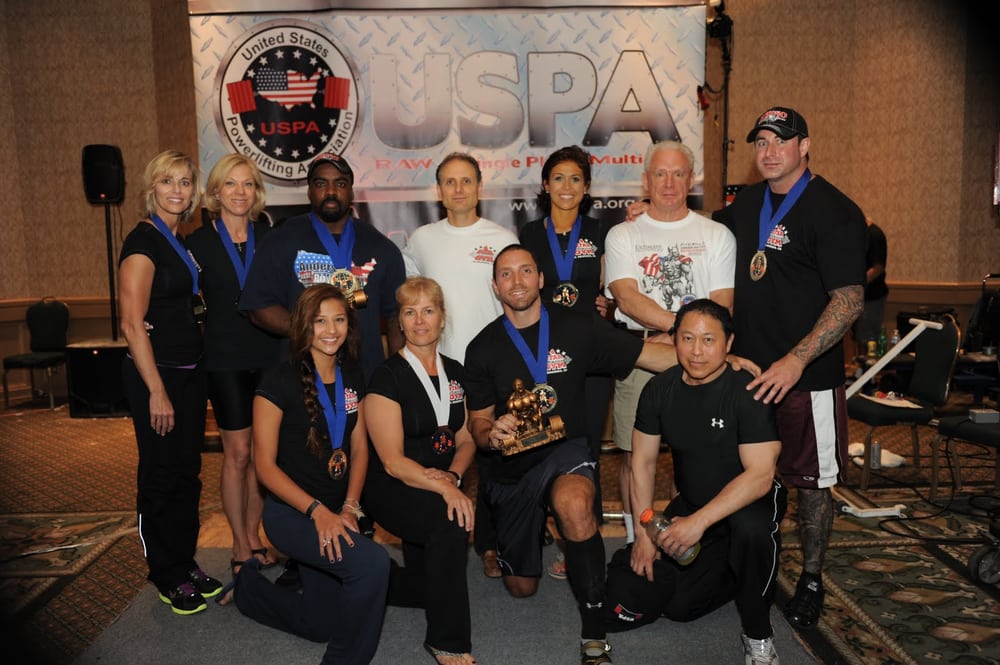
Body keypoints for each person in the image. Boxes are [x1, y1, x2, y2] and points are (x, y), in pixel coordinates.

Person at [464, 244, 678, 665]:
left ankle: (594, 631)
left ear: (541, 279)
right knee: (521, 588)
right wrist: (493, 433)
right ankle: (526, 536)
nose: (517, 281)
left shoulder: (579, 326)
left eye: (526, 271)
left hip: (567, 448)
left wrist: (718, 358)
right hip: (512, 467)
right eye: (506, 274)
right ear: (495, 286)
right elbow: (478, 424)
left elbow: (649, 356)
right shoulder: (482, 347)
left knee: (575, 505)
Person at [714, 106, 866, 630]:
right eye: (761, 142)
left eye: (782, 140)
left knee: (812, 484)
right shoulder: (746, 204)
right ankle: (747, 564)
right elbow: (702, 241)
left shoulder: (835, 211)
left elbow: (849, 301)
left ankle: (812, 579)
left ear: (805, 146)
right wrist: (651, 214)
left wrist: (797, 359)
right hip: (747, 375)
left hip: (808, 379)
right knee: (746, 474)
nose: (770, 150)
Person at [604, 299, 786, 665]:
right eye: (687, 338)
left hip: (748, 503)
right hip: (691, 503)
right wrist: (645, 531)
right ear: (674, 340)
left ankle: (758, 632)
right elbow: (642, 462)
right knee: (678, 606)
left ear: (728, 343)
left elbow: (760, 476)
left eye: (708, 340)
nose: (697, 351)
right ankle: (738, 574)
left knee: (751, 532)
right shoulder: (660, 389)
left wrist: (697, 523)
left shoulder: (748, 390)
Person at [225, 284, 390, 665]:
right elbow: (264, 467)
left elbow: (359, 449)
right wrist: (318, 513)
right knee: (373, 565)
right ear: (302, 326)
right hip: (292, 516)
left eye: (339, 319)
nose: (331, 330)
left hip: (337, 510)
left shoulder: (352, 376)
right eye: (319, 321)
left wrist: (350, 506)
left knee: (319, 624)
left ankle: (248, 587)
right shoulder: (277, 382)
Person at [604, 140, 735, 548]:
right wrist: (685, 330)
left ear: (691, 180)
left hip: (701, 360)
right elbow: (627, 298)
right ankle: (636, 542)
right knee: (634, 456)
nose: (668, 183)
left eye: (678, 174)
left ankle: (690, 539)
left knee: (695, 455)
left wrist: (681, 338)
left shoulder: (716, 234)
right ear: (646, 180)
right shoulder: (623, 233)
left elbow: (723, 304)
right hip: (640, 356)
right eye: (660, 174)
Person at [402, 152, 517, 579]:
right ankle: (439, 537)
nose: (458, 189)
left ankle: (489, 543)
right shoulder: (422, 240)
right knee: (444, 451)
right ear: (439, 191)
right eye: (449, 182)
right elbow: (411, 302)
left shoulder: (502, 237)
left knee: (493, 456)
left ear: (480, 187)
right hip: (439, 367)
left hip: (492, 366)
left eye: (466, 180)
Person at [118, 150, 223, 615]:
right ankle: (165, 573)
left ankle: (184, 561)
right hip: (155, 379)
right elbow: (131, 323)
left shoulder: (178, 239)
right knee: (160, 475)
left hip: (189, 374)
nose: (176, 190)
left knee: (187, 473)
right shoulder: (143, 242)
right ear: (152, 188)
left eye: (184, 182)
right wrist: (157, 391)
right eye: (167, 181)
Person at [364, 276, 478, 665]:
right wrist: (447, 490)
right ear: (399, 321)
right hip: (394, 485)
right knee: (451, 522)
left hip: (441, 481)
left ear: (442, 318)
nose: (419, 321)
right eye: (409, 312)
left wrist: (454, 477)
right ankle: (447, 641)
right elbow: (392, 461)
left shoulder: (456, 373)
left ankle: (375, 579)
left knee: (428, 585)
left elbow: (465, 438)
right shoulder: (387, 376)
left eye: (428, 310)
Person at [519, 145, 614, 578]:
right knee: (542, 440)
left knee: (587, 442)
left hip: (591, 351)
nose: (567, 186)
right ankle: (545, 526)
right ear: (545, 184)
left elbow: (616, 285)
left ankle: (583, 537)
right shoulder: (528, 234)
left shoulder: (602, 231)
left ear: (587, 187)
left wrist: (609, 303)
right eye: (558, 177)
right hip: (542, 352)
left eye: (576, 178)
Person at [187, 154, 279, 578]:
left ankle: (255, 534)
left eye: (247, 184)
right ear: (216, 192)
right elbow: (180, 297)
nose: (239, 192)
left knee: (264, 455)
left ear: (256, 192)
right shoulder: (197, 244)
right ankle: (239, 543)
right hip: (224, 358)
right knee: (237, 454)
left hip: (270, 354)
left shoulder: (270, 237)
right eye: (230, 184)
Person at [239, 152, 405, 381]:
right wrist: (312, 331)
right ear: (309, 191)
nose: (330, 191)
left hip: (367, 377)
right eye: (321, 184)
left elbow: (396, 317)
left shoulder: (381, 247)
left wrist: (399, 378)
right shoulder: (280, 240)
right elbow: (258, 308)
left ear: (351, 191)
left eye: (340, 184)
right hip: (301, 378)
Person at [852, 217, 889, 357]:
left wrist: (858, 284)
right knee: (860, 338)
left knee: (868, 340)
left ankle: (870, 370)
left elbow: (878, 268)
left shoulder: (874, 235)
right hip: (862, 296)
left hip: (872, 297)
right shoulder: (864, 234)